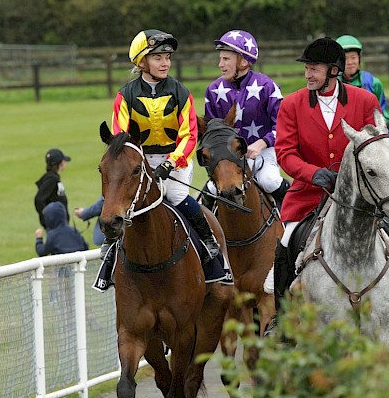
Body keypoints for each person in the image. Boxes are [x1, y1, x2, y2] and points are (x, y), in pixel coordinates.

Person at [267, 37, 389, 334]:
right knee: (287, 241)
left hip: (365, 197)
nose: (308, 74)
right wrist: (312, 173)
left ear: (333, 70)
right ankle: (280, 320)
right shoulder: (292, 104)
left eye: (314, 69)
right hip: (310, 193)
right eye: (307, 69)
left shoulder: (365, 101)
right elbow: (285, 153)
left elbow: (381, 147)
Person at [112, 29, 218, 262]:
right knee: (119, 198)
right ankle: (110, 252)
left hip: (174, 160)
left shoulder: (181, 92)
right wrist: (136, 164)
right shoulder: (125, 95)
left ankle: (209, 241)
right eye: (158, 57)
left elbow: (190, 135)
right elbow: (120, 137)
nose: (165, 63)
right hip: (139, 162)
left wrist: (170, 164)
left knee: (176, 195)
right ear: (142, 62)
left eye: (168, 57)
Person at [203, 29, 289, 208]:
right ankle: (207, 234)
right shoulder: (213, 91)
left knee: (269, 181)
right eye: (220, 58)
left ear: (243, 61)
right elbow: (211, 133)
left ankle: (292, 217)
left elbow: (283, 126)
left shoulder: (268, 87)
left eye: (226, 59)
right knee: (210, 190)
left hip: (263, 150)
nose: (220, 64)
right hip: (227, 157)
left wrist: (261, 143)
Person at [335, 34, 389, 148]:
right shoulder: (333, 85)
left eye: (353, 57)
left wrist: (369, 133)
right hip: (341, 138)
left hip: (370, 138)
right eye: (346, 58)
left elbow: (384, 115)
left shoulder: (373, 83)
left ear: (359, 58)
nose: (350, 62)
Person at [34, 148, 71, 228]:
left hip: (59, 224)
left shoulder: (52, 178)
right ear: (61, 163)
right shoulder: (52, 179)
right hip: (56, 225)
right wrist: (47, 218)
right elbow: (39, 199)